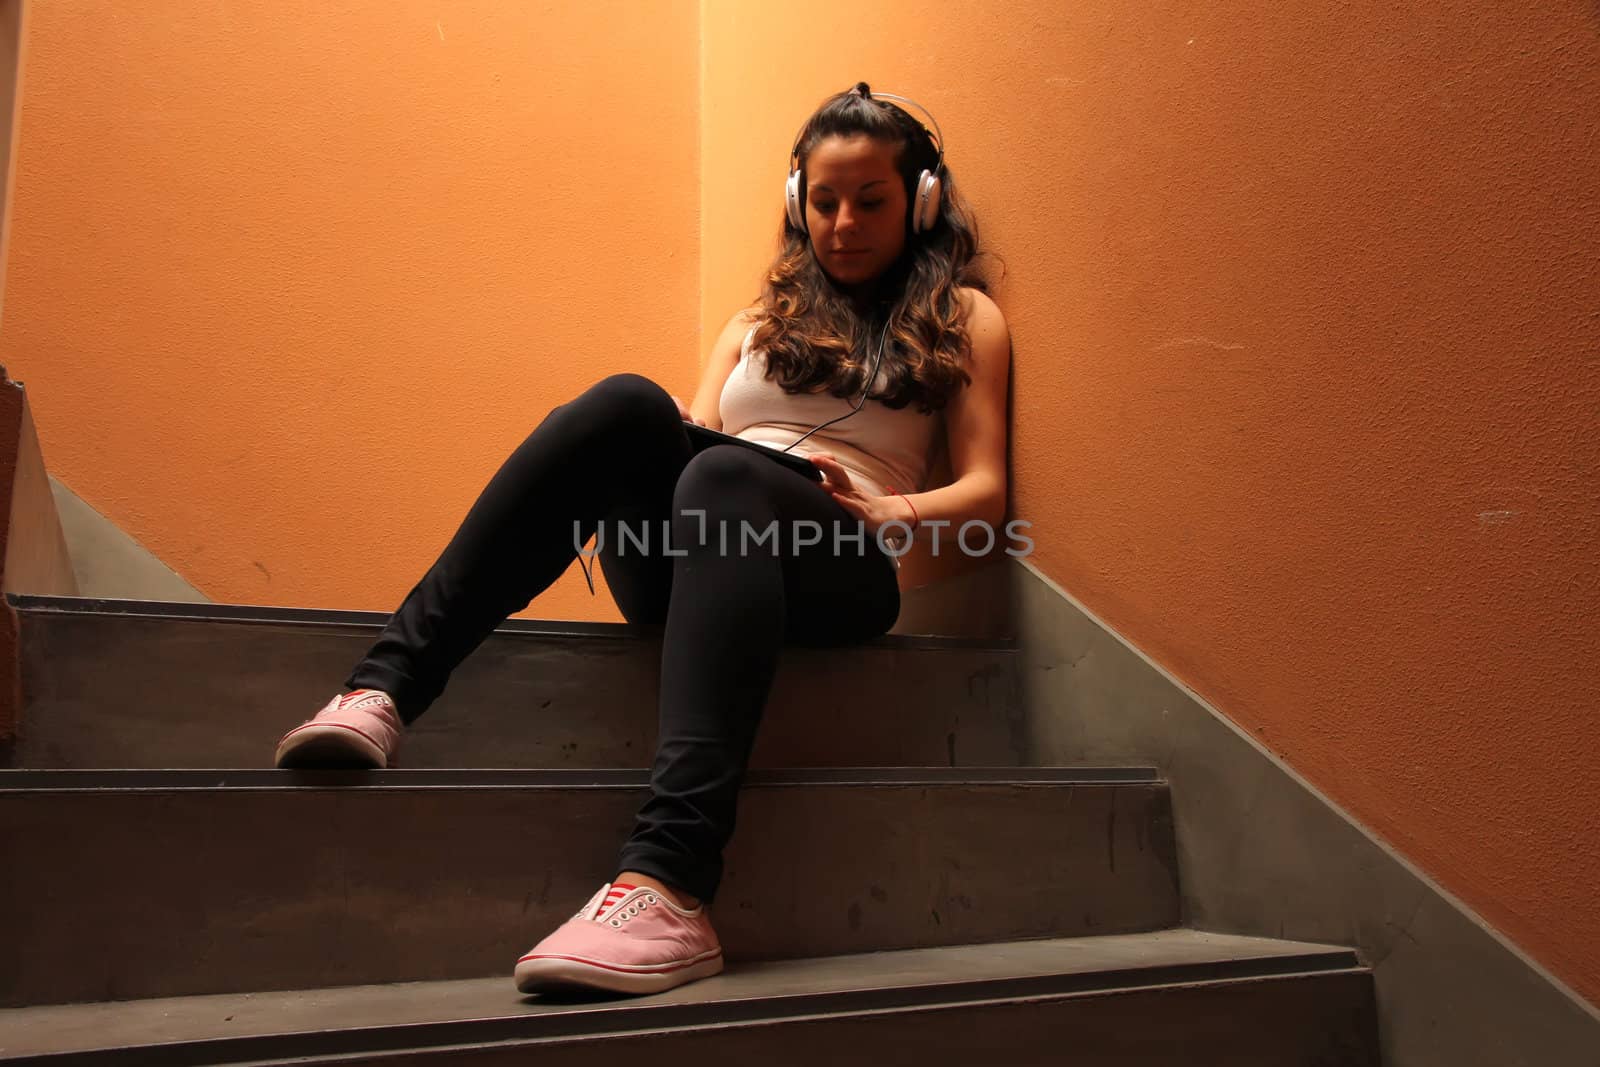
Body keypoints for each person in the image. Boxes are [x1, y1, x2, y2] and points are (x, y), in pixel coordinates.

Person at [272, 81, 1011, 997]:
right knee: (632, 405)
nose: (843, 222)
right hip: (718, 540)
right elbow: (691, 441)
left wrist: (888, 514)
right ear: (796, 204)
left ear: (923, 202)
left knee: (727, 472)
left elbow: (986, 491)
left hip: (843, 562)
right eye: (823, 201)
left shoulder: (964, 321)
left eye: (871, 200)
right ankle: (383, 688)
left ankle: (669, 884)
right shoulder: (756, 323)